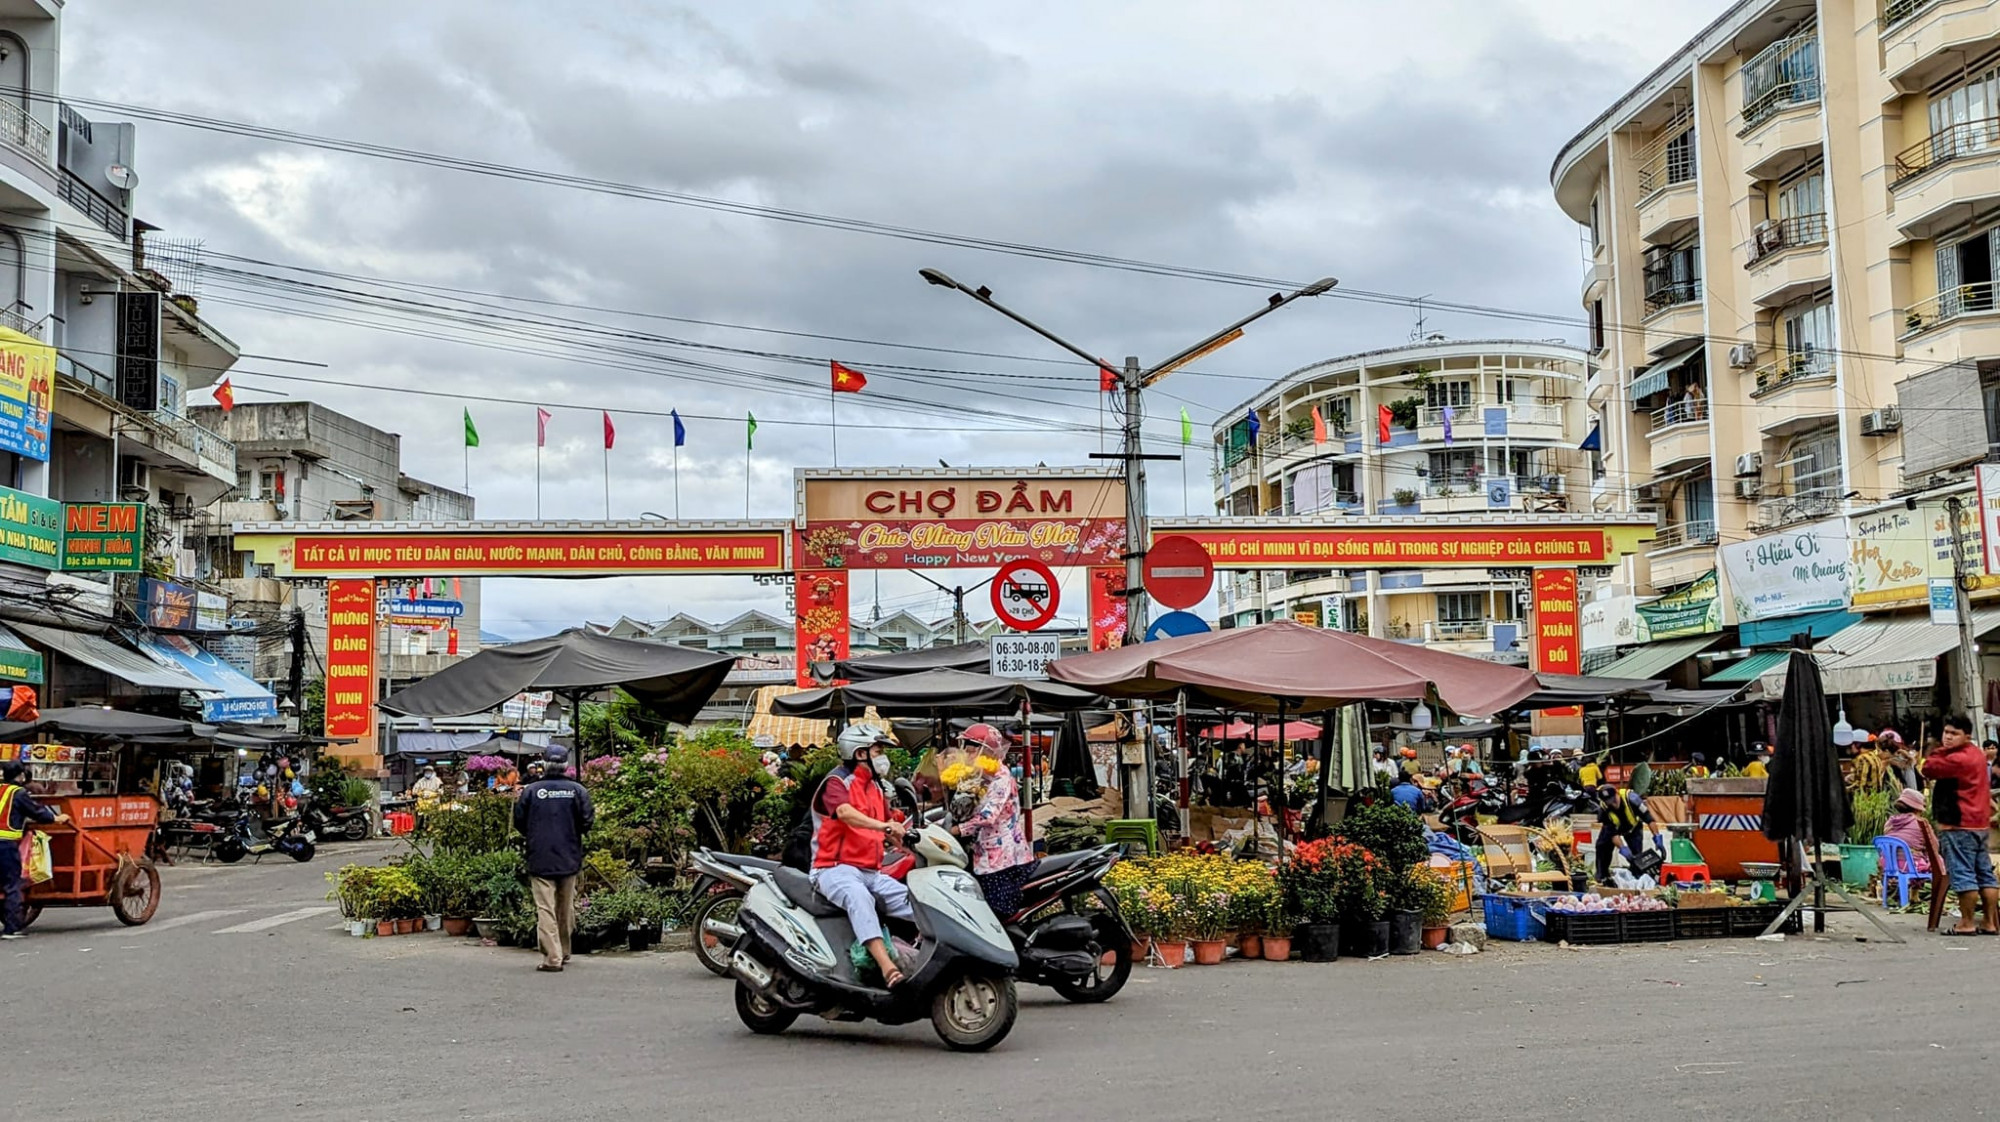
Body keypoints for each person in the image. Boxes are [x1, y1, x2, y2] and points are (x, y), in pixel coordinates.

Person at [812, 726, 916, 987]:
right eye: (878, 751)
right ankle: (887, 967)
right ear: (860, 753)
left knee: (916, 901)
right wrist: (884, 827)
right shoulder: (836, 782)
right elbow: (845, 813)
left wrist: (918, 842)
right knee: (860, 899)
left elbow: (891, 825)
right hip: (834, 869)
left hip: (871, 871)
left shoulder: (876, 788)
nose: (883, 758)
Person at [512, 749, 595, 972]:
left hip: (540, 857)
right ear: (566, 765)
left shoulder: (531, 791)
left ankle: (553, 958)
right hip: (569, 856)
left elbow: (519, 821)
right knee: (565, 907)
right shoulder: (578, 790)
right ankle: (565, 951)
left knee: (545, 909)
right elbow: (588, 821)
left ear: (544, 765)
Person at [947, 723, 1035, 919]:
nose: (968, 757)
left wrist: (957, 830)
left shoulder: (1000, 778)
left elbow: (988, 816)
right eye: (966, 752)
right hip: (983, 853)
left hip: (1002, 859)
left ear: (985, 751)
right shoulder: (981, 776)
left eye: (971, 752)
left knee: (997, 915)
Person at [1920, 714, 1996, 936]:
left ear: (1967, 736)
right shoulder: (1977, 754)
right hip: (1980, 824)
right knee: (1985, 874)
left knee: (1963, 875)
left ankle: (1966, 923)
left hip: (1958, 824)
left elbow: (1928, 768)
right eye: (1947, 732)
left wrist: (1939, 749)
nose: (1948, 737)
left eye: (1954, 734)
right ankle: (1990, 922)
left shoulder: (1957, 759)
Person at [1, 761, 70, 940]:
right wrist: (57, 818)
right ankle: (12, 929)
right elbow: (38, 813)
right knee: (12, 885)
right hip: (6, 846)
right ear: (21, 776)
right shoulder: (19, 793)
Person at [1592, 784, 1665, 884]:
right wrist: (1623, 848)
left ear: (1617, 793)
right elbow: (1612, 834)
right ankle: (1602, 876)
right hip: (1615, 829)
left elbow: (1649, 818)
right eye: (1609, 802)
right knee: (1602, 847)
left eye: (1614, 800)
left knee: (1637, 856)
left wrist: (1657, 836)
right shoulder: (1604, 810)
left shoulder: (1632, 799)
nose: (1613, 805)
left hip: (1633, 828)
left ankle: (1636, 876)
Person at [1882, 788, 1934, 874]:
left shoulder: (1890, 822)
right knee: (1939, 862)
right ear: (1917, 809)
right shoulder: (1921, 823)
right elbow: (1933, 846)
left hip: (1887, 865)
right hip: (1909, 866)